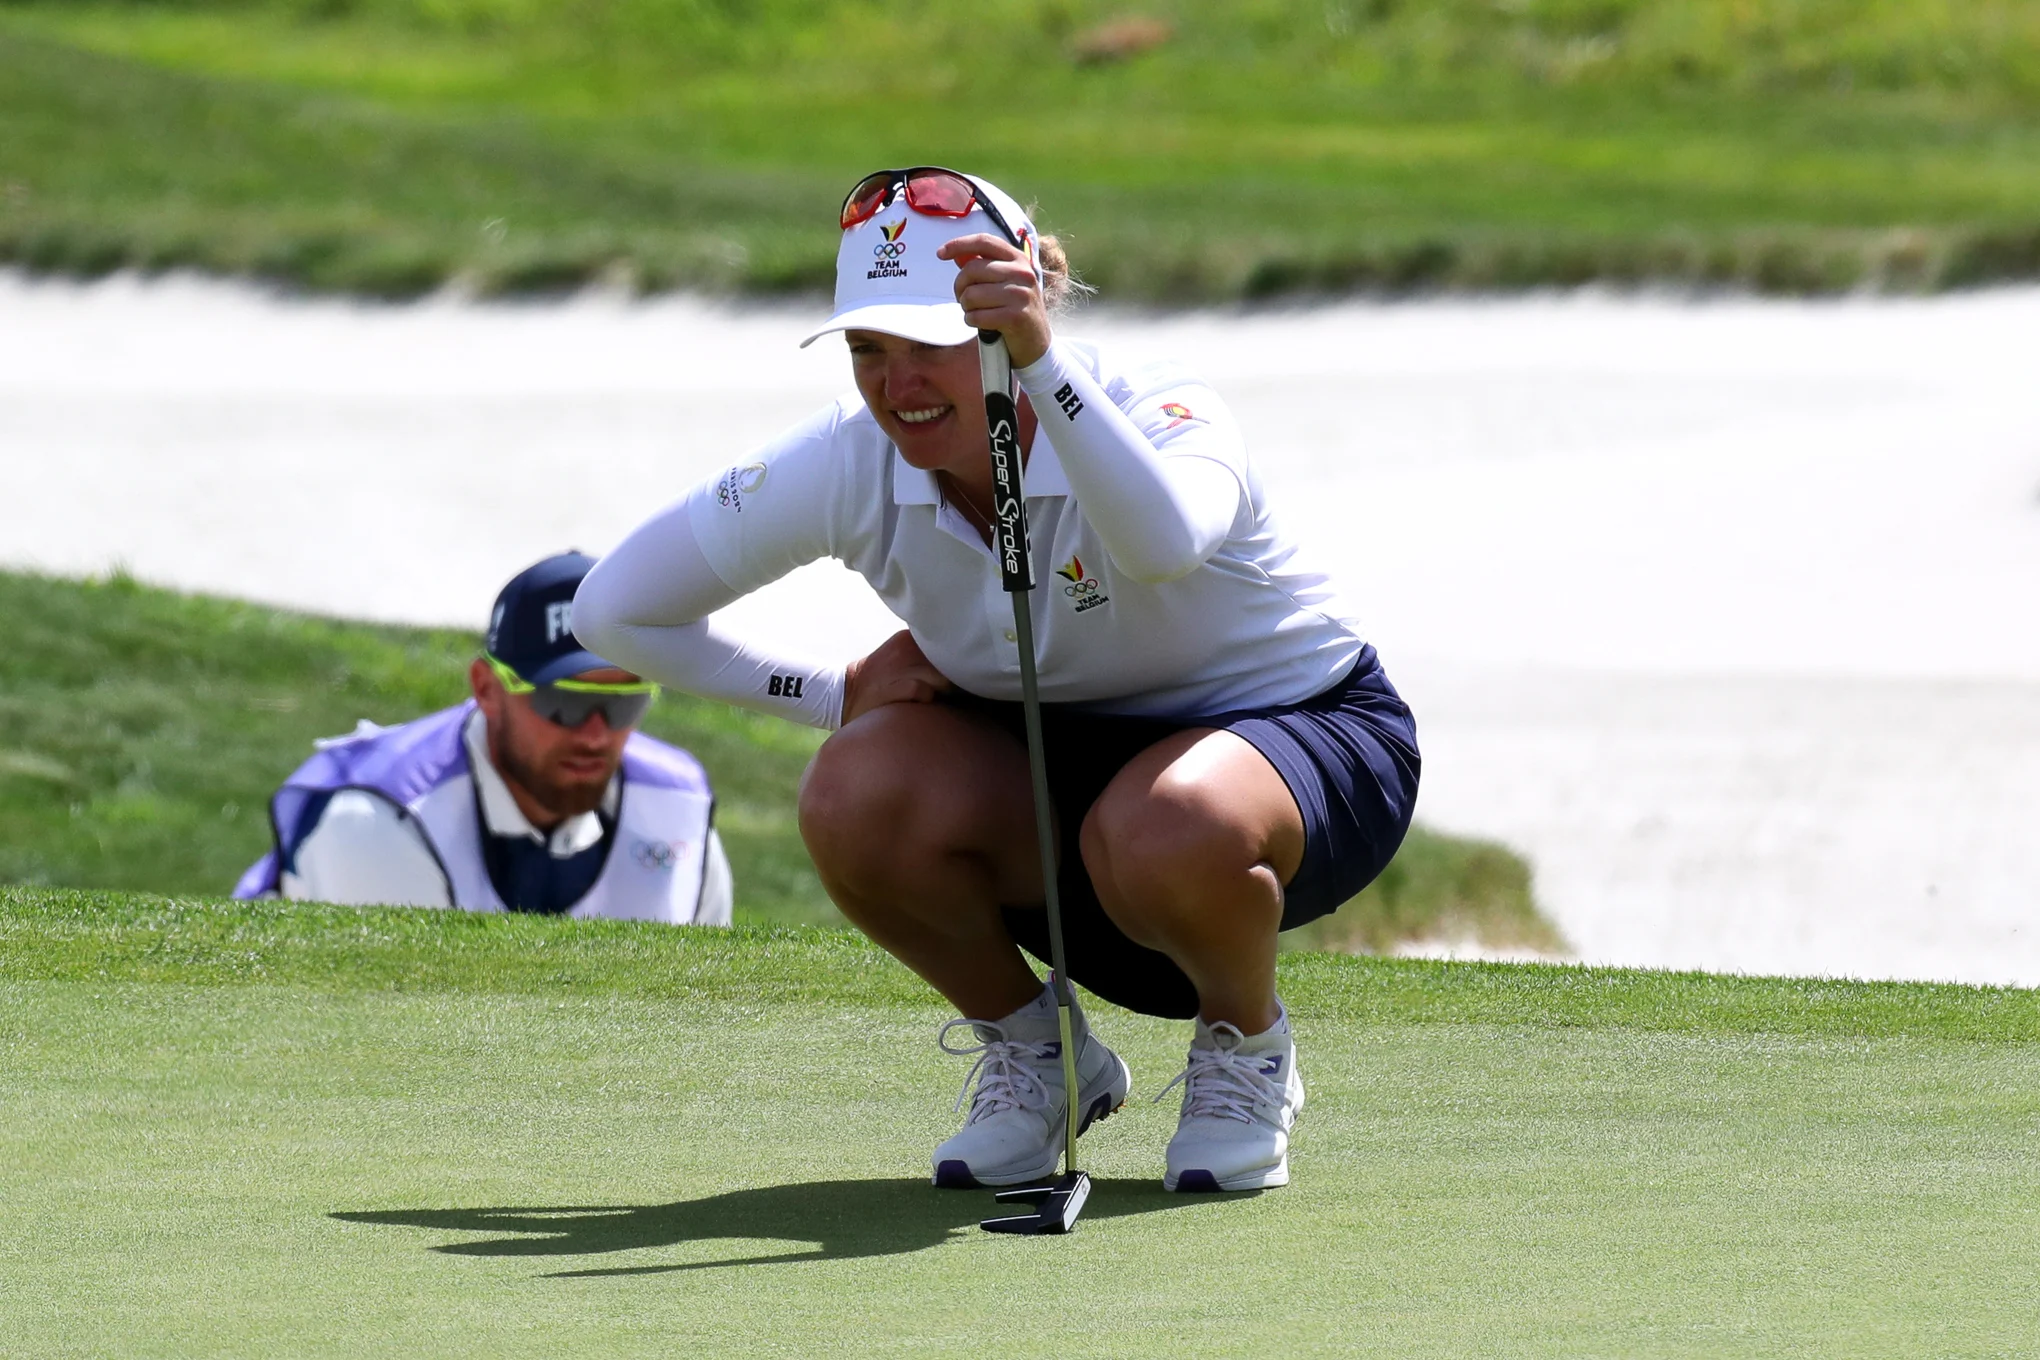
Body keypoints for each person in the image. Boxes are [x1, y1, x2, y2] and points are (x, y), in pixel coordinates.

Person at [572, 167, 1418, 1192]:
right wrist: (834, 695)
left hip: (1296, 747)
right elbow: (612, 609)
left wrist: (1041, 365)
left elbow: (1159, 545)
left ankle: (1246, 1047)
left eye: (933, 345)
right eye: (868, 352)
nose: (899, 385)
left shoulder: (1164, 407)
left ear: (1015, 319)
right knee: (854, 787)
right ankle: (1040, 1056)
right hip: (1066, 788)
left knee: (1167, 819)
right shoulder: (850, 459)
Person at [234, 551, 733, 925]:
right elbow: (406, 1046)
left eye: (627, 703)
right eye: (564, 704)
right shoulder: (376, 822)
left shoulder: (677, 808)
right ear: (487, 689)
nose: (596, 733)